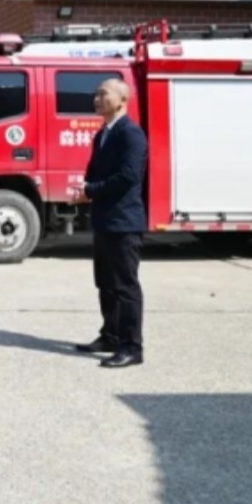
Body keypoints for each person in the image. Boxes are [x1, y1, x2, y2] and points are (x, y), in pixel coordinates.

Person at [73, 78, 149, 369]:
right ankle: (111, 335)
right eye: (95, 94)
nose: (96, 98)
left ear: (122, 100)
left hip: (124, 221)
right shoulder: (103, 134)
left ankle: (132, 346)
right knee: (105, 282)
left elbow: (128, 177)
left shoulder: (131, 134)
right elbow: (96, 172)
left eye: (103, 94)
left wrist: (92, 190)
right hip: (105, 220)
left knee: (125, 285)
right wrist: (86, 189)